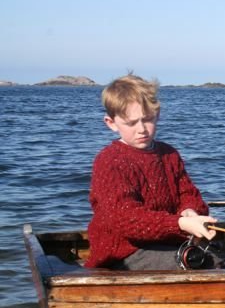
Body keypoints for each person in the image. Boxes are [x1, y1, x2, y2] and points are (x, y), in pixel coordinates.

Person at [85, 74, 217, 270]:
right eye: (131, 123)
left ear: (158, 115)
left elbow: (188, 194)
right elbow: (125, 219)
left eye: (147, 120)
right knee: (203, 267)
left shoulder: (169, 154)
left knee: (214, 261)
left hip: (168, 241)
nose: (141, 130)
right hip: (125, 252)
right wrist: (179, 224)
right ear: (111, 123)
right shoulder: (109, 161)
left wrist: (190, 211)